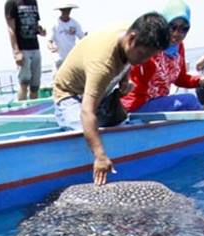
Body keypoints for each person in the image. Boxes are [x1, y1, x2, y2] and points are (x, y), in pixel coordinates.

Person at [53, 12, 171, 186]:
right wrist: (100, 156)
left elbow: (128, 59)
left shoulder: (130, 36)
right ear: (131, 39)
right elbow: (86, 111)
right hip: (70, 94)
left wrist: (124, 79)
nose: (145, 60)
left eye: (150, 56)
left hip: (102, 91)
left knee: (121, 126)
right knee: (84, 134)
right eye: (144, 55)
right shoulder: (102, 64)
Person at [121, 0, 204, 113]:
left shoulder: (178, 48)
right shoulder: (151, 45)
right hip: (136, 106)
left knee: (191, 98)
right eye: (172, 27)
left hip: (158, 103)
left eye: (184, 28)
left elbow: (180, 79)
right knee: (190, 100)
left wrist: (202, 81)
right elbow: (128, 67)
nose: (177, 33)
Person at [5, 0, 46, 100]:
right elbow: (11, 29)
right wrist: (16, 51)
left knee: (35, 86)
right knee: (24, 83)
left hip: (35, 47)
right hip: (22, 49)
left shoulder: (33, 2)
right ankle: (22, 112)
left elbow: (35, 23)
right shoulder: (11, 3)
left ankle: (34, 109)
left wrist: (40, 30)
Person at [47, 2, 84, 71]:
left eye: (68, 10)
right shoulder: (54, 24)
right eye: (64, 10)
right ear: (61, 11)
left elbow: (82, 37)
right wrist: (52, 47)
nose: (67, 12)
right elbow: (49, 41)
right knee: (58, 77)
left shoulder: (74, 23)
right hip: (59, 57)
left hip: (71, 56)